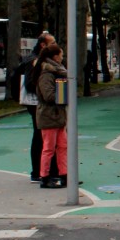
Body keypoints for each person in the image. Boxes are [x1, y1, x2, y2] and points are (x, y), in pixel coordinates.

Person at [19, 32, 59, 182]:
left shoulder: (36, 59)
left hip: (37, 102)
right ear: (43, 45)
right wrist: (45, 90)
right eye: (52, 42)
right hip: (37, 103)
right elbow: (30, 83)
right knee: (42, 136)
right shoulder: (35, 61)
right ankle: (40, 171)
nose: (55, 45)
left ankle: (45, 170)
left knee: (43, 136)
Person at [34, 43, 69, 188]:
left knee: (62, 146)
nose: (62, 57)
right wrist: (63, 95)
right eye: (61, 55)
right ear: (55, 57)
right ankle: (45, 176)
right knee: (49, 147)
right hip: (49, 114)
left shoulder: (56, 72)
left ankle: (64, 174)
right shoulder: (47, 74)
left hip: (57, 114)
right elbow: (48, 95)